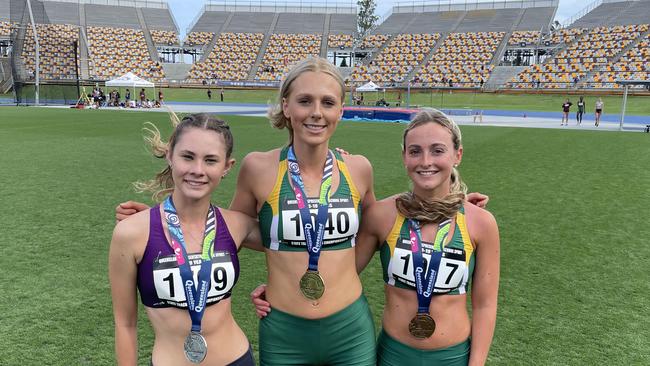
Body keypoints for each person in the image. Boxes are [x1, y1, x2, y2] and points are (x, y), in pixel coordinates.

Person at [116, 57, 488, 365]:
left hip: (349, 328)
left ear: (341, 110)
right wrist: (158, 221)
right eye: (305, 100)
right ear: (286, 106)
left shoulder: (357, 169)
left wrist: (450, 208)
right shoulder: (257, 168)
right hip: (284, 330)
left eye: (328, 102)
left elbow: (381, 229)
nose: (316, 112)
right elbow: (225, 235)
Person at [254, 109, 499, 365]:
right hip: (392, 355)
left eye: (438, 150)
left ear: (457, 155)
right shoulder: (382, 215)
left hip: (453, 357)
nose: (426, 161)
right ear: (404, 157)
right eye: (415, 151)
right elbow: (340, 268)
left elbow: (485, 305)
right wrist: (282, 288)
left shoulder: (481, 223)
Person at [109, 113, 259, 366]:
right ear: (170, 156)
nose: (197, 170)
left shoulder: (236, 225)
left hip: (236, 359)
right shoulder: (131, 233)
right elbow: (125, 323)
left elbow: (295, 245)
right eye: (188, 156)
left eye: (210, 160)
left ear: (227, 167)